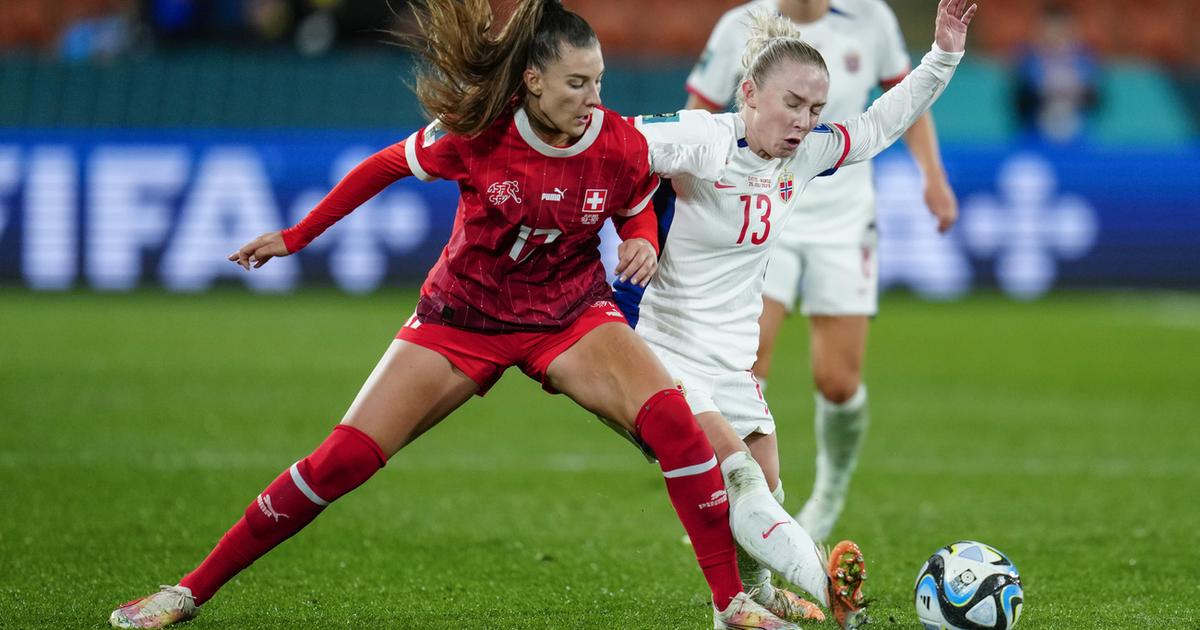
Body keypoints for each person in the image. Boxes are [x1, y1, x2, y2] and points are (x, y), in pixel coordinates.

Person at [107, 1, 798, 628]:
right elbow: (381, 166)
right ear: (531, 80)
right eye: (577, 83)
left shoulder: (616, 140)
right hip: (461, 317)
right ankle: (187, 592)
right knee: (339, 462)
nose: (594, 99)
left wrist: (643, 239)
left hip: (569, 314)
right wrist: (297, 236)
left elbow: (634, 196)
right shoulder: (476, 132)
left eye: (599, 80)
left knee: (676, 423)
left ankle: (729, 604)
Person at [614, 0, 976, 626]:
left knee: (768, 483)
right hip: (662, 346)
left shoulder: (802, 157)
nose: (806, 122)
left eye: (815, 109)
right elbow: (617, 144)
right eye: (793, 105)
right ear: (749, 93)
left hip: (729, 358)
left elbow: (878, 124)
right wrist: (637, 228)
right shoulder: (704, 138)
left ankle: (760, 592)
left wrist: (944, 54)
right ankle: (826, 585)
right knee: (741, 481)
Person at [682, 0, 961, 544]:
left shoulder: (870, 18)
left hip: (842, 214)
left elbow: (897, 107)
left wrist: (932, 172)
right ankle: (739, 502)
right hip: (761, 213)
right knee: (746, 358)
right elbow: (697, 113)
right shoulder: (741, 24)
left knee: (837, 382)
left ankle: (829, 492)